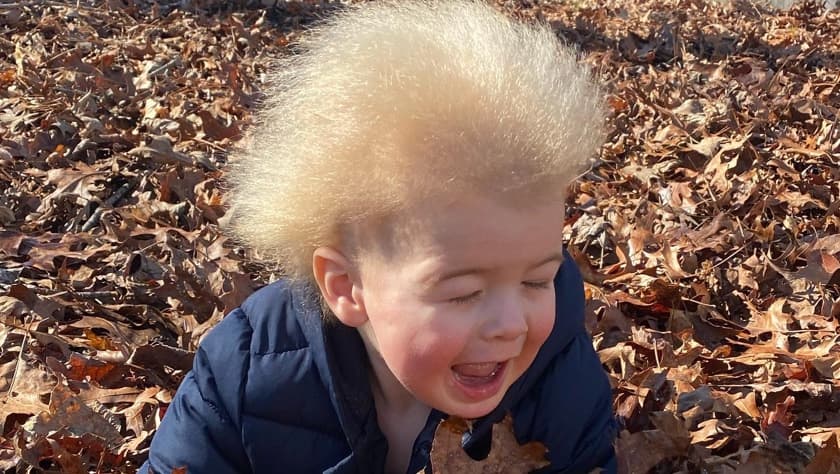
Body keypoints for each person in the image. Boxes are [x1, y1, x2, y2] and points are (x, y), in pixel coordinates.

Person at [140, 0, 617, 472]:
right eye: (464, 293)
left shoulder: (560, 385)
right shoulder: (244, 371)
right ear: (346, 286)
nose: (511, 324)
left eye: (537, 282)